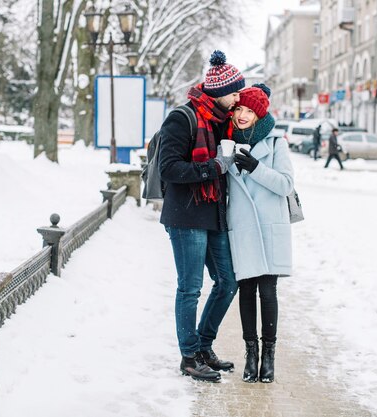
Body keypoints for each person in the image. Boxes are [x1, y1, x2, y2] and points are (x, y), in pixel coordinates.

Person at [158, 50, 244, 383]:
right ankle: (189, 356)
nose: (237, 97)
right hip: (186, 216)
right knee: (190, 288)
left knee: (227, 282)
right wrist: (213, 167)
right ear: (218, 91)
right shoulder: (183, 118)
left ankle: (204, 347)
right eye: (234, 91)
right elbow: (169, 168)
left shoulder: (224, 122)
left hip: (214, 214)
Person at [226, 84, 294, 383]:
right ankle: (250, 354)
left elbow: (285, 185)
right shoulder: (225, 141)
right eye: (239, 109)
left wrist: (255, 168)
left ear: (259, 114)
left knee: (267, 292)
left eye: (249, 111)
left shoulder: (277, 143)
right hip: (241, 225)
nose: (242, 115)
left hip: (268, 226)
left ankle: (268, 356)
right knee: (246, 291)